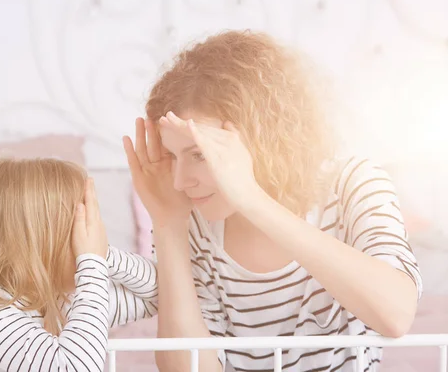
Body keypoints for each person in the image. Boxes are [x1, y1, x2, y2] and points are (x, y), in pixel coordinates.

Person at [123, 30, 421, 372]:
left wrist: (252, 198)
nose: (180, 181)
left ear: (262, 139)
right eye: (173, 157)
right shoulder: (191, 221)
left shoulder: (354, 183)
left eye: (200, 155)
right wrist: (167, 225)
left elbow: (396, 314)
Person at [0, 157, 158, 372]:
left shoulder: (56, 302)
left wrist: (103, 253)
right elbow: (74, 368)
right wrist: (91, 261)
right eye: (77, 232)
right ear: (36, 245)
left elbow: (159, 294)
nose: (84, 241)